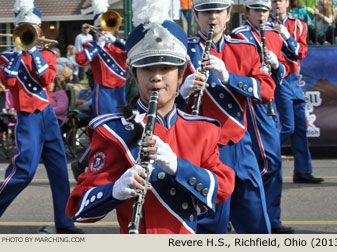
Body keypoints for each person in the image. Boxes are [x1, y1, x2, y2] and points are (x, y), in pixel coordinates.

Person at [65, 3, 235, 233]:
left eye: (166, 68)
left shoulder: (202, 130)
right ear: (134, 73)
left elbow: (224, 188)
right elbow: (77, 208)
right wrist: (114, 190)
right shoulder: (114, 132)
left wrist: (179, 167)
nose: (156, 78)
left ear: (182, 72)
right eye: (147, 69)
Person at [178, 0, 276, 234]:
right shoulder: (182, 51)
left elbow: (267, 90)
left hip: (240, 144)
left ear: (229, 14)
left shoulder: (245, 48)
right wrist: (182, 92)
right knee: (211, 222)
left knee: (256, 218)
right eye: (206, 11)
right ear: (196, 15)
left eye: (218, 11)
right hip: (203, 147)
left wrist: (229, 78)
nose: (212, 17)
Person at [0, 0, 83, 234]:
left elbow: (47, 80)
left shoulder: (47, 54)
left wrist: (33, 51)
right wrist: (18, 54)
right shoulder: (7, 57)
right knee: (24, 171)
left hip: (47, 115)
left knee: (59, 169)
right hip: (28, 118)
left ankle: (65, 222)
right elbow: (8, 81)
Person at [232, 0, 292, 234]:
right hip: (252, 102)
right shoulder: (240, 35)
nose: (261, 15)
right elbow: (236, 68)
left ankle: (271, 217)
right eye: (256, 10)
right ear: (247, 11)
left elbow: (288, 66)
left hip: (270, 100)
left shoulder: (273, 33)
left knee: (270, 162)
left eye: (264, 10)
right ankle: (259, 217)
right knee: (268, 161)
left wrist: (276, 65)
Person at [71, 0, 128, 181]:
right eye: (102, 29)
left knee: (121, 129)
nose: (105, 32)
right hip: (103, 93)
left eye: (108, 28)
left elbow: (132, 52)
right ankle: (82, 163)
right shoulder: (92, 47)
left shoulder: (119, 45)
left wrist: (116, 41)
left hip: (121, 91)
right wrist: (99, 45)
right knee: (103, 130)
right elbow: (80, 60)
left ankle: (104, 164)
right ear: (96, 30)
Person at [270, 0, 324, 184]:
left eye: (280, 1)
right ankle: (263, 156)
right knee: (287, 126)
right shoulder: (266, 26)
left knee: (300, 128)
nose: (277, 4)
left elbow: (302, 52)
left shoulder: (298, 25)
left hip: (293, 79)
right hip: (278, 78)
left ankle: (302, 171)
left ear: (287, 3)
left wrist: (287, 37)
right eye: (273, 1)